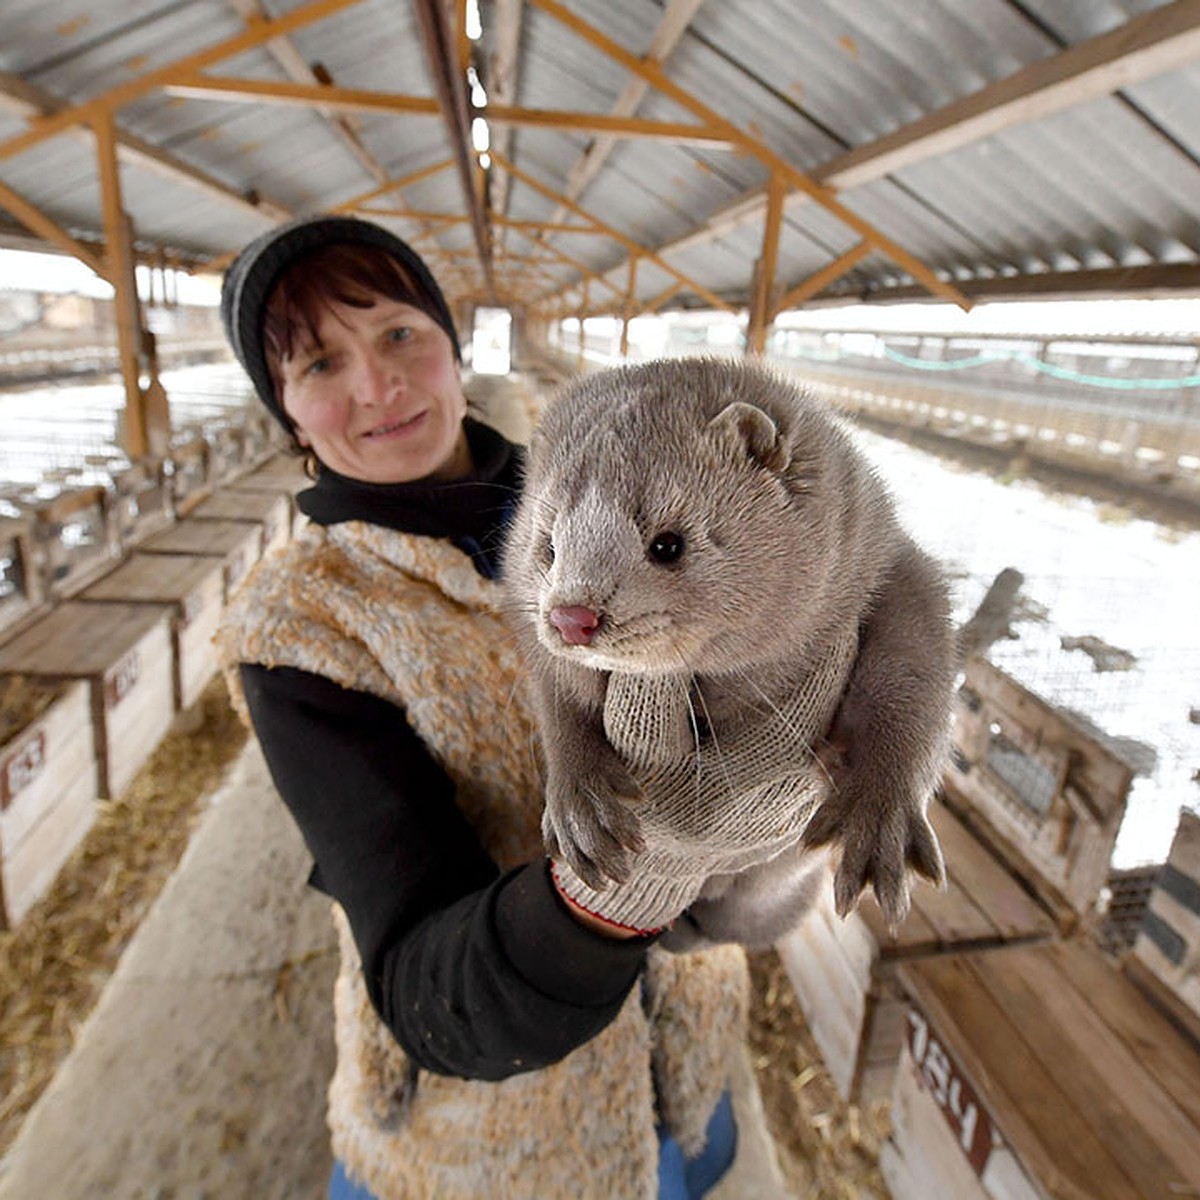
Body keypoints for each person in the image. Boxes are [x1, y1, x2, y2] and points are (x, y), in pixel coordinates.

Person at [216, 215, 770, 1200]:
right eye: (319, 365)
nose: (377, 386)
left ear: (451, 343)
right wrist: (616, 895)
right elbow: (424, 970)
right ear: (289, 415)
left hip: (685, 1034)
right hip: (502, 1123)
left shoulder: (615, 492)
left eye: (398, 334)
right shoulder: (302, 616)